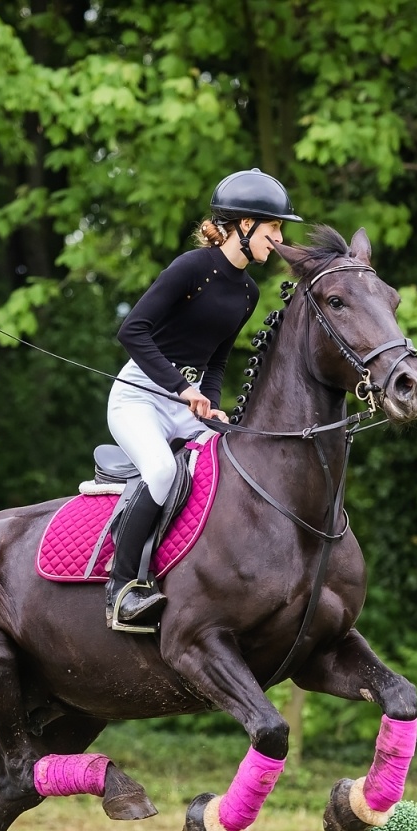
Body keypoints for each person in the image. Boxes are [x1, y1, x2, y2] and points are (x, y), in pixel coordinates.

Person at [104, 168, 303, 630]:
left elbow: (216, 361)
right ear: (244, 225)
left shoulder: (248, 292)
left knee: (235, 465)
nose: (279, 239)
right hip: (138, 398)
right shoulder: (192, 268)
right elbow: (132, 331)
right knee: (161, 471)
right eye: (273, 228)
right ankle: (121, 589)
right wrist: (181, 388)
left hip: (185, 405)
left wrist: (210, 405)